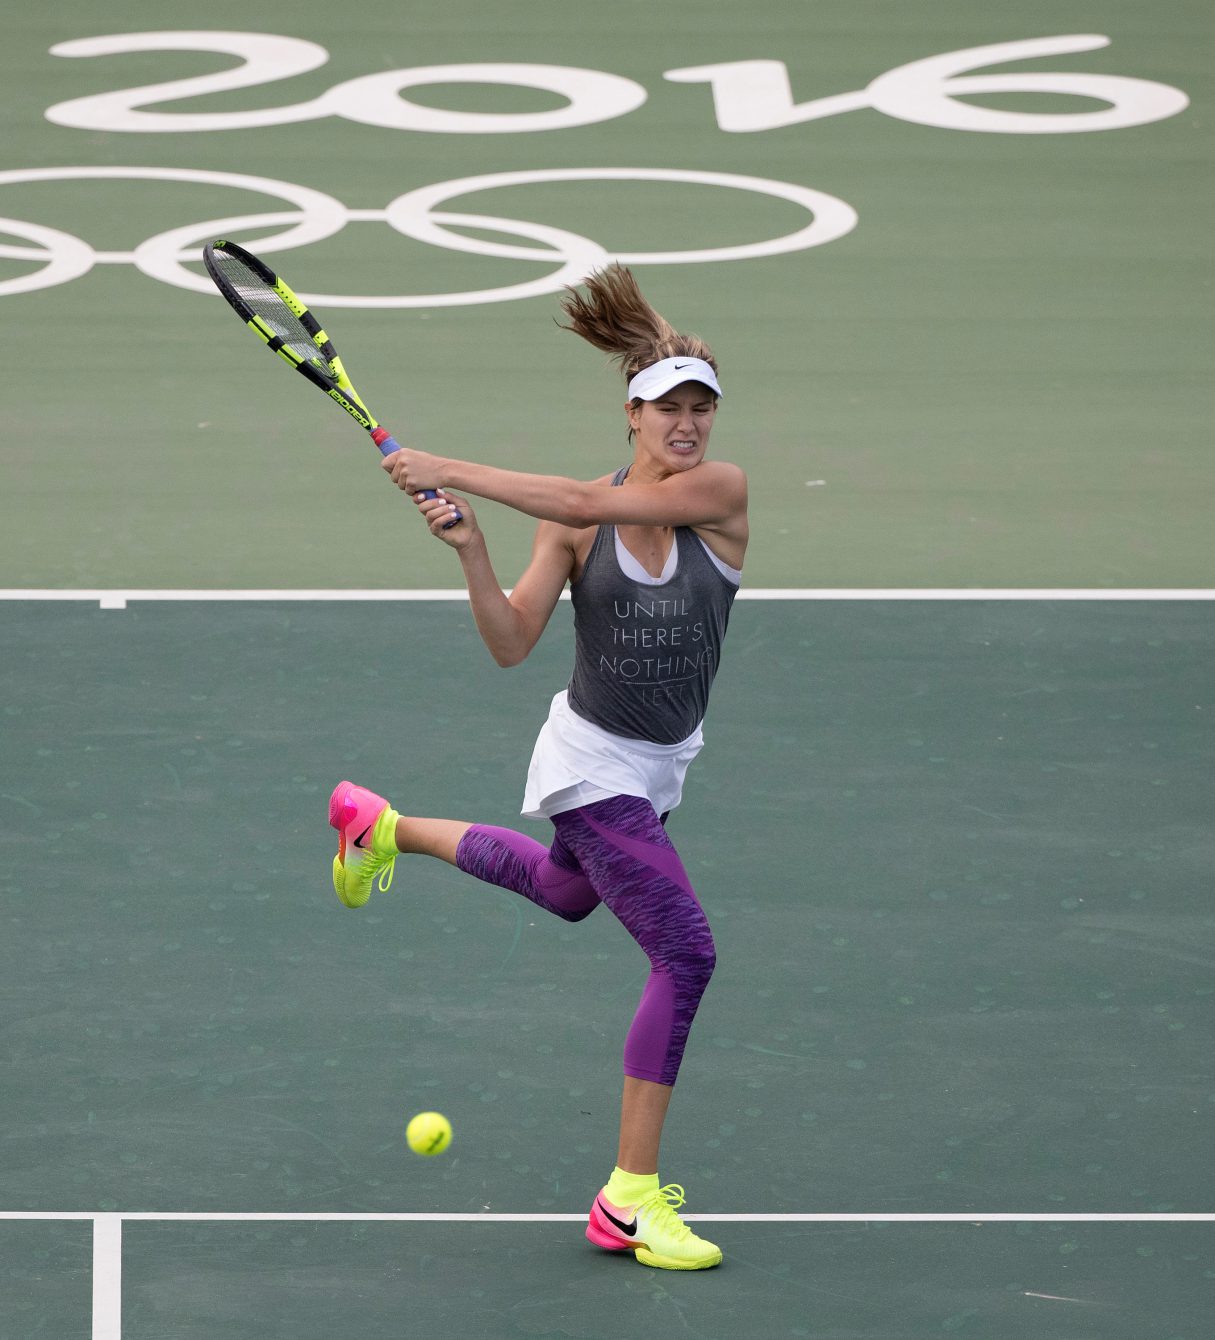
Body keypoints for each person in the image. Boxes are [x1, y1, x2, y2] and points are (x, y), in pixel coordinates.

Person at [328, 263, 748, 1271]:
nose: (688, 424)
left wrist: (447, 465)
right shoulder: (569, 522)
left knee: (567, 892)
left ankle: (381, 825)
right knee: (684, 954)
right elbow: (514, 640)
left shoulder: (720, 494)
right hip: (590, 758)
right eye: (667, 407)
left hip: (657, 764)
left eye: (702, 407)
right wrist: (472, 551)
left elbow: (568, 491)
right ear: (632, 416)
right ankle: (628, 1198)